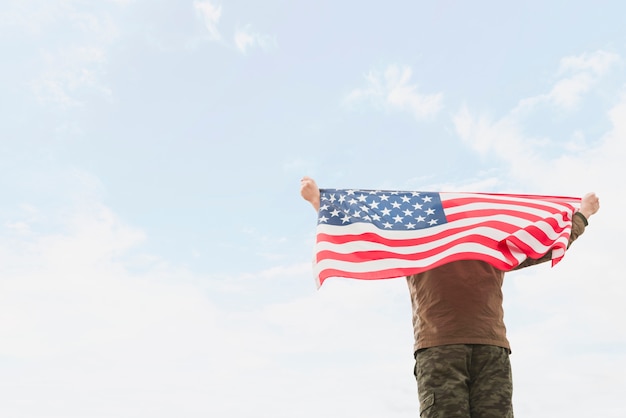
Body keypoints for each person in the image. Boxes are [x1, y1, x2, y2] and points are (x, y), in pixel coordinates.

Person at [300, 176, 600, 418]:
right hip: (441, 350)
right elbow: (364, 233)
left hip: (489, 349)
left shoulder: (492, 246)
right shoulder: (416, 244)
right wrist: (319, 203)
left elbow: (544, 245)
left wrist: (582, 214)